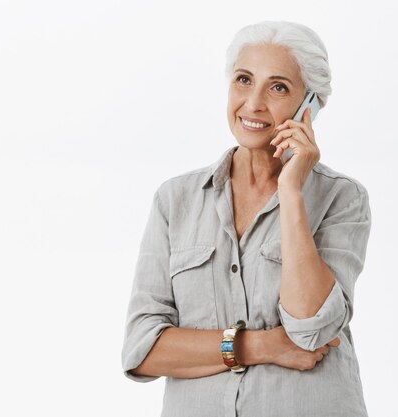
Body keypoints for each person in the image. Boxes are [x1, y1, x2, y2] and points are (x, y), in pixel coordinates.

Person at [121, 21, 371, 417]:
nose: (253, 103)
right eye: (243, 79)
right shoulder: (175, 200)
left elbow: (310, 327)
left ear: (310, 106)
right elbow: (142, 349)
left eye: (278, 87)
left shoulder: (343, 198)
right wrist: (264, 345)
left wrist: (291, 192)